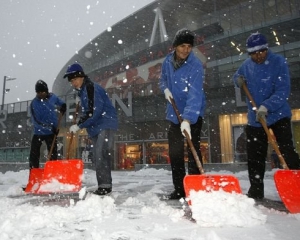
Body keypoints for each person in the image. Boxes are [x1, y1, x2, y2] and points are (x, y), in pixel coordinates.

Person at [233, 32, 300, 199]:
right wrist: (238, 80)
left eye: (261, 52)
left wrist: (266, 106)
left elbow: (283, 90)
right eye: (254, 53)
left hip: (278, 114)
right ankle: (256, 188)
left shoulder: (278, 62)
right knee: (255, 154)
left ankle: (297, 183)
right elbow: (237, 76)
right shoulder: (247, 65)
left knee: (286, 150)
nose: (258, 56)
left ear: (266, 49)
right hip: (255, 117)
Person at [159, 28, 206, 200]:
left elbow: (195, 94)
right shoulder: (167, 62)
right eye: (182, 46)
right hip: (174, 113)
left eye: (189, 46)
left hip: (193, 113)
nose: (186, 50)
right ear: (175, 47)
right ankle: (179, 189)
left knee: (193, 150)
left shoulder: (195, 66)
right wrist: (164, 89)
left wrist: (188, 119)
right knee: (175, 153)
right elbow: (162, 79)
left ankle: (195, 188)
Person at [64, 63, 118, 196]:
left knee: (101, 153)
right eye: (71, 81)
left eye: (74, 80)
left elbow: (95, 111)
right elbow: (87, 112)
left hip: (105, 123)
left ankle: (105, 186)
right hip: (95, 127)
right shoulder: (83, 91)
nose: (73, 83)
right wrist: (79, 123)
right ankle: (104, 185)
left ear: (81, 76)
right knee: (97, 155)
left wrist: (80, 125)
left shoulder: (90, 88)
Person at [29, 80, 66, 168]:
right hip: (38, 132)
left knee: (53, 153)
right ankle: (34, 171)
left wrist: (63, 105)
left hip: (51, 132)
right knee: (34, 154)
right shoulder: (33, 104)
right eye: (38, 92)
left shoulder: (53, 97)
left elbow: (60, 102)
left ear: (47, 91)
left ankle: (52, 170)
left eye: (43, 91)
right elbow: (36, 121)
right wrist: (50, 128)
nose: (41, 94)